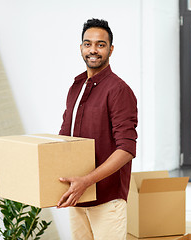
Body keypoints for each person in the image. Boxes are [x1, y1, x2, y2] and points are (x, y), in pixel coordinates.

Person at [57, 18, 138, 240]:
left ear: (111, 49)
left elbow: (127, 149)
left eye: (100, 45)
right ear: (81, 47)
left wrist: (87, 180)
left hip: (106, 198)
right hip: (78, 195)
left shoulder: (119, 90)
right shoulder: (76, 87)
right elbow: (64, 138)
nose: (93, 50)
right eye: (88, 43)